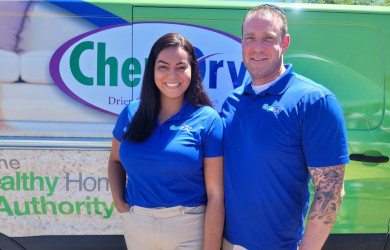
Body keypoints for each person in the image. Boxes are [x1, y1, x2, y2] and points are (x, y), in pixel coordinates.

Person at [221, 4, 349, 250]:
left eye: (268, 38)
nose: (257, 47)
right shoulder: (232, 101)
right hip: (227, 242)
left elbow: (330, 192)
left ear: (285, 42)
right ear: (242, 43)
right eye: (250, 38)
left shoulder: (314, 102)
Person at [108, 33, 224, 250]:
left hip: (189, 228)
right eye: (163, 66)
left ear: (193, 71)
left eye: (181, 66)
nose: (172, 74)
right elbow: (115, 161)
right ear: (152, 70)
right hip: (137, 226)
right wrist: (120, 203)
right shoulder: (131, 112)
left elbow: (216, 196)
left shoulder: (208, 120)